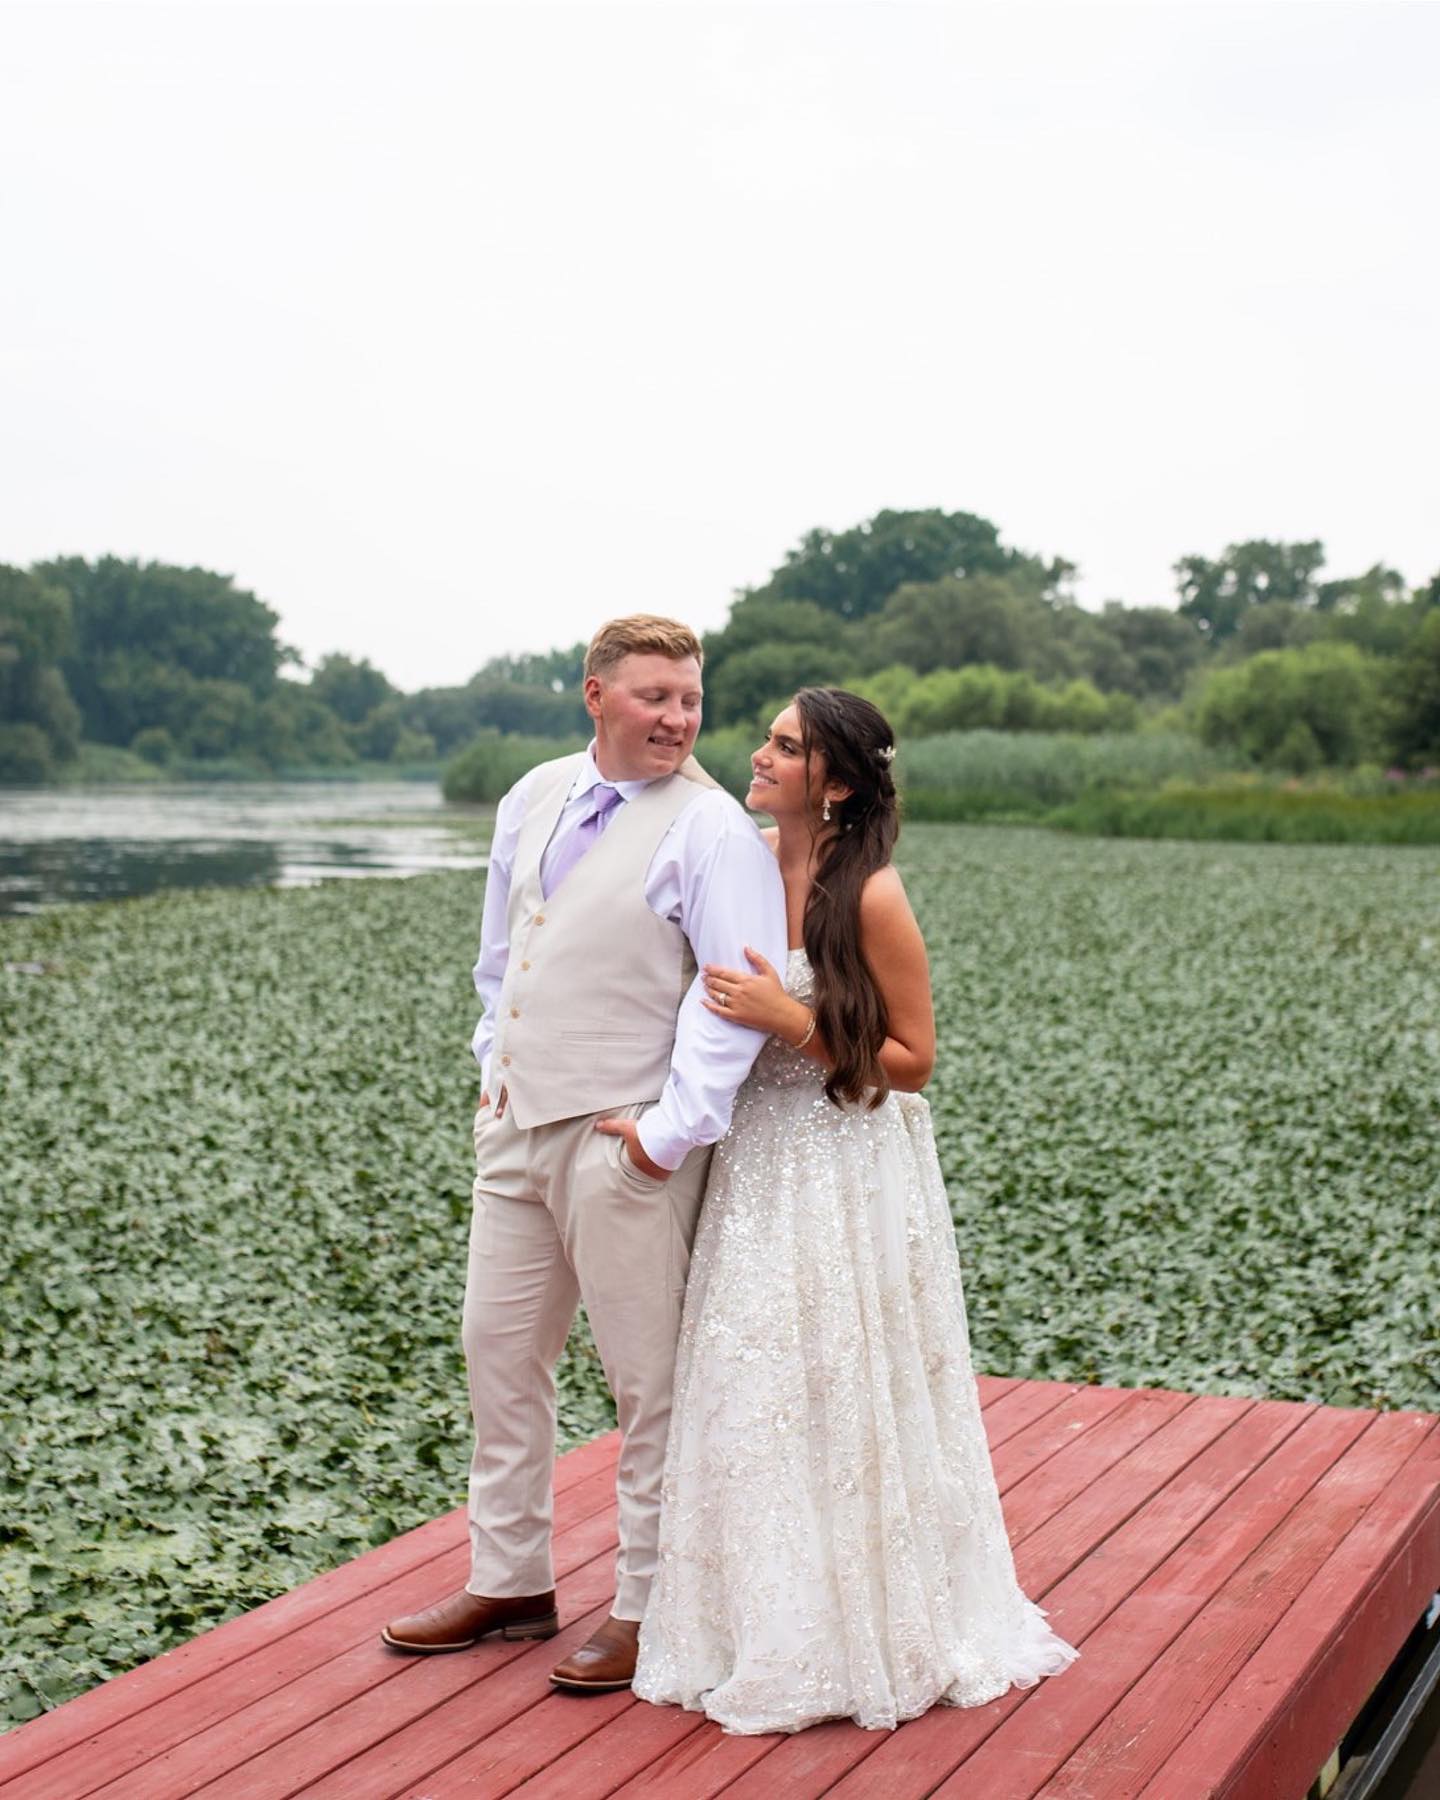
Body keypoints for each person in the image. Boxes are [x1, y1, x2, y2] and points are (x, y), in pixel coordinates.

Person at [633, 686, 1077, 1733]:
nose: (759, 755)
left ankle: (874, 1625)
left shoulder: (870, 891)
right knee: (751, 1384)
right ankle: (756, 1623)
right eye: (769, 740)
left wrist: (793, 1021)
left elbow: (914, 1062)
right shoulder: (735, 857)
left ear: (832, 782)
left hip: (845, 1161)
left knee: (843, 1382)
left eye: (784, 748)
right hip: (755, 1166)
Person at [381, 615, 787, 1694]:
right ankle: (510, 1579)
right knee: (497, 1353)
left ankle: (650, 1608)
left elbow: (732, 998)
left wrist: (667, 1136)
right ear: (595, 694)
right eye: (655, 696)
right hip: (515, 1127)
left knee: (647, 1384)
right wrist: (491, 1067)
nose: (679, 718)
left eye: (691, 699)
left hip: (625, 1143)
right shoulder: (534, 794)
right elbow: (500, 955)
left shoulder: (710, 832)